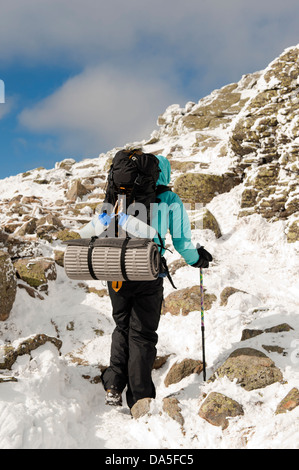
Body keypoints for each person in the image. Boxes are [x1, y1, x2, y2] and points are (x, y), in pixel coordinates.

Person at [100, 153, 212, 409]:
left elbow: (102, 227)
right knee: (142, 334)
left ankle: (114, 385)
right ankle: (140, 399)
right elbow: (183, 244)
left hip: (116, 271)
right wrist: (198, 260)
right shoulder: (170, 199)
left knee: (122, 327)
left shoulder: (117, 195)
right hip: (147, 272)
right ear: (164, 173)